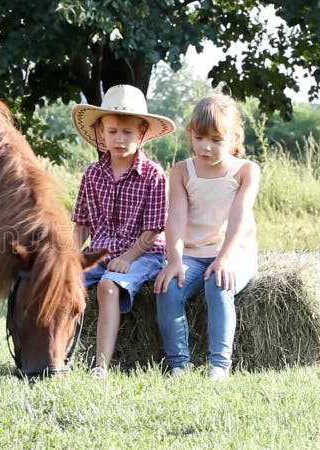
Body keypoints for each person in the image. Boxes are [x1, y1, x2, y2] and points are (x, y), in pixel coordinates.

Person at [153, 93, 261, 381]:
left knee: (218, 284)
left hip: (235, 252)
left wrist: (225, 259)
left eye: (216, 140)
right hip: (192, 254)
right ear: (190, 133)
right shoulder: (181, 172)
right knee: (168, 288)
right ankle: (179, 365)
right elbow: (175, 218)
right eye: (200, 137)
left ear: (235, 138)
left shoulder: (246, 171)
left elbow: (239, 215)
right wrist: (174, 260)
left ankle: (218, 365)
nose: (206, 147)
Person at [71, 84, 176, 378]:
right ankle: (58, 354)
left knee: (108, 286)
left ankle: (100, 365)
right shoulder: (92, 174)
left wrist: (129, 257)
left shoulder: (153, 175)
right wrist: (69, 259)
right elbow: (81, 224)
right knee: (63, 282)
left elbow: (154, 228)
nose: (119, 139)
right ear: (101, 132)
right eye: (113, 131)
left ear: (142, 133)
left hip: (143, 253)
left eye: (127, 132)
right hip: (102, 250)